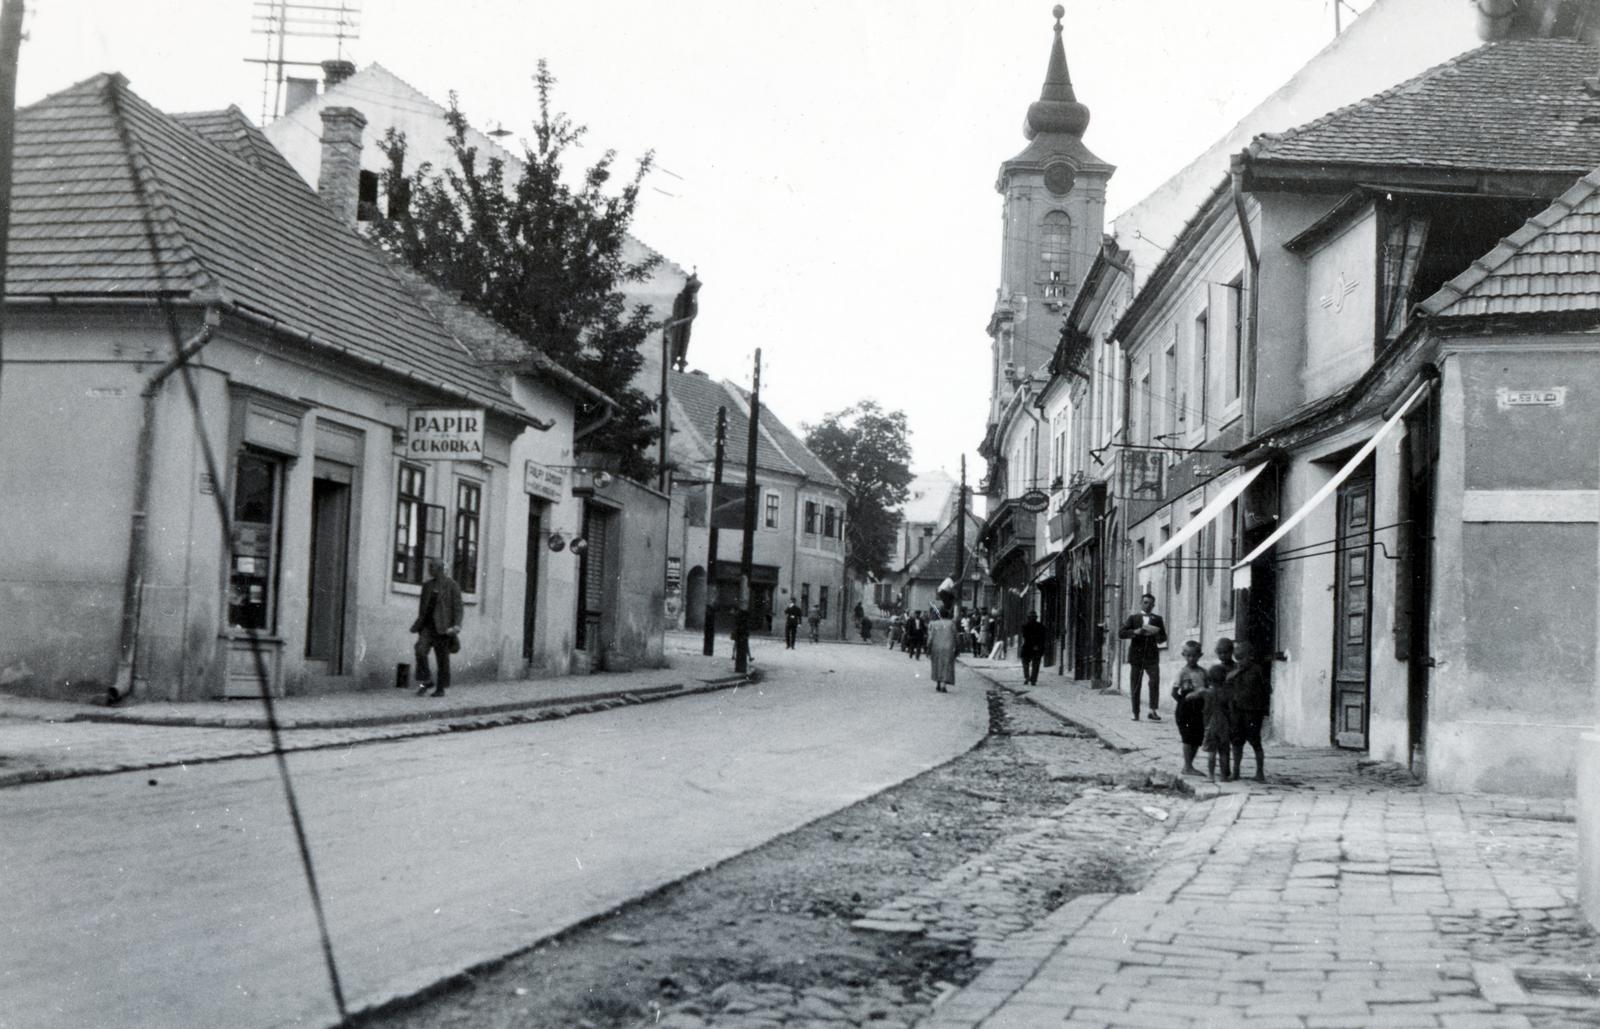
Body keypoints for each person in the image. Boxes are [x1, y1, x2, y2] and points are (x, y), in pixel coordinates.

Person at [410, 558, 463, 698]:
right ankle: (426, 681)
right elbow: (422, 607)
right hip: (427, 626)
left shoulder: (452, 585)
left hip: (443, 627)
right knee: (420, 650)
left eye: (431, 567)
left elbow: (458, 607)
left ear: (439, 569)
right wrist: (420, 624)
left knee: (442, 659)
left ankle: (440, 688)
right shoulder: (427, 586)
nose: (429, 570)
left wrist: (457, 625)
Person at [1118, 593, 1167, 721]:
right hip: (1136, 656)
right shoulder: (1133, 618)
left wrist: (1156, 635)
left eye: (1150, 603)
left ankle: (1153, 710)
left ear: (1154, 605)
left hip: (1152, 656)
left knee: (1154, 681)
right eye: (1145, 603)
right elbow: (1121, 633)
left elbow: (1163, 638)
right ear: (1141, 603)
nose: (1148, 606)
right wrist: (1135, 632)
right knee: (1135, 684)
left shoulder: (1158, 619)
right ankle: (1135, 712)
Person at [1229, 641, 1271, 783]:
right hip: (1237, 711)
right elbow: (1227, 683)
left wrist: (1263, 707)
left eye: (1242, 658)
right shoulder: (1235, 670)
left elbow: (1267, 689)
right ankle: (1236, 771)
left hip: (1253, 711)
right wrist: (1237, 671)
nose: (1239, 661)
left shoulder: (1257, 670)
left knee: (1255, 741)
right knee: (1236, 742)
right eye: (1237, 658)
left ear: (1251, 656)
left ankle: (1259, 772)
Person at [1172, 640, 1208, 777]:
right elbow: (1174, 692)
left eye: (1194, 655)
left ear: (1200, 655)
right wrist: (1183, 702)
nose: (1191, 659)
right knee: (1187, 737)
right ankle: (1187, 766)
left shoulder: (1203, 673)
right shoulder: (1182, 673)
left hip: (1199, 708)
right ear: (1183, 655)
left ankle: (1189, 764)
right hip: (1185, 708)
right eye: (1188, 656)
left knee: (1197, 737)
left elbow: (1207, 688)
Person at [926, 600, 957, 692]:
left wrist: (928, 647)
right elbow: (956, 636)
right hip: (948, 648)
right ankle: (944, 685)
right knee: (946, 666)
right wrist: (958, 647)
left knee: (937, 665)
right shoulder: (951, 624)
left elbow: (930, 638)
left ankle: (938, 683)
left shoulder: (935, 624)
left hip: (936, 648)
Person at [1018, 611, 1048, 685]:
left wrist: (1037, 645)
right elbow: (1043, 638)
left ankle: (1029, 678)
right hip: (1032, 647)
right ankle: (1031, 679)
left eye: (1033, 617)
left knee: (1029, 663)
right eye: (1031, 617)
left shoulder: (1026, 626)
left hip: (1030, 647)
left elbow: (1026, 637)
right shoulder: (1040, 626)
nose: (1032, 619)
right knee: (1033, 664)